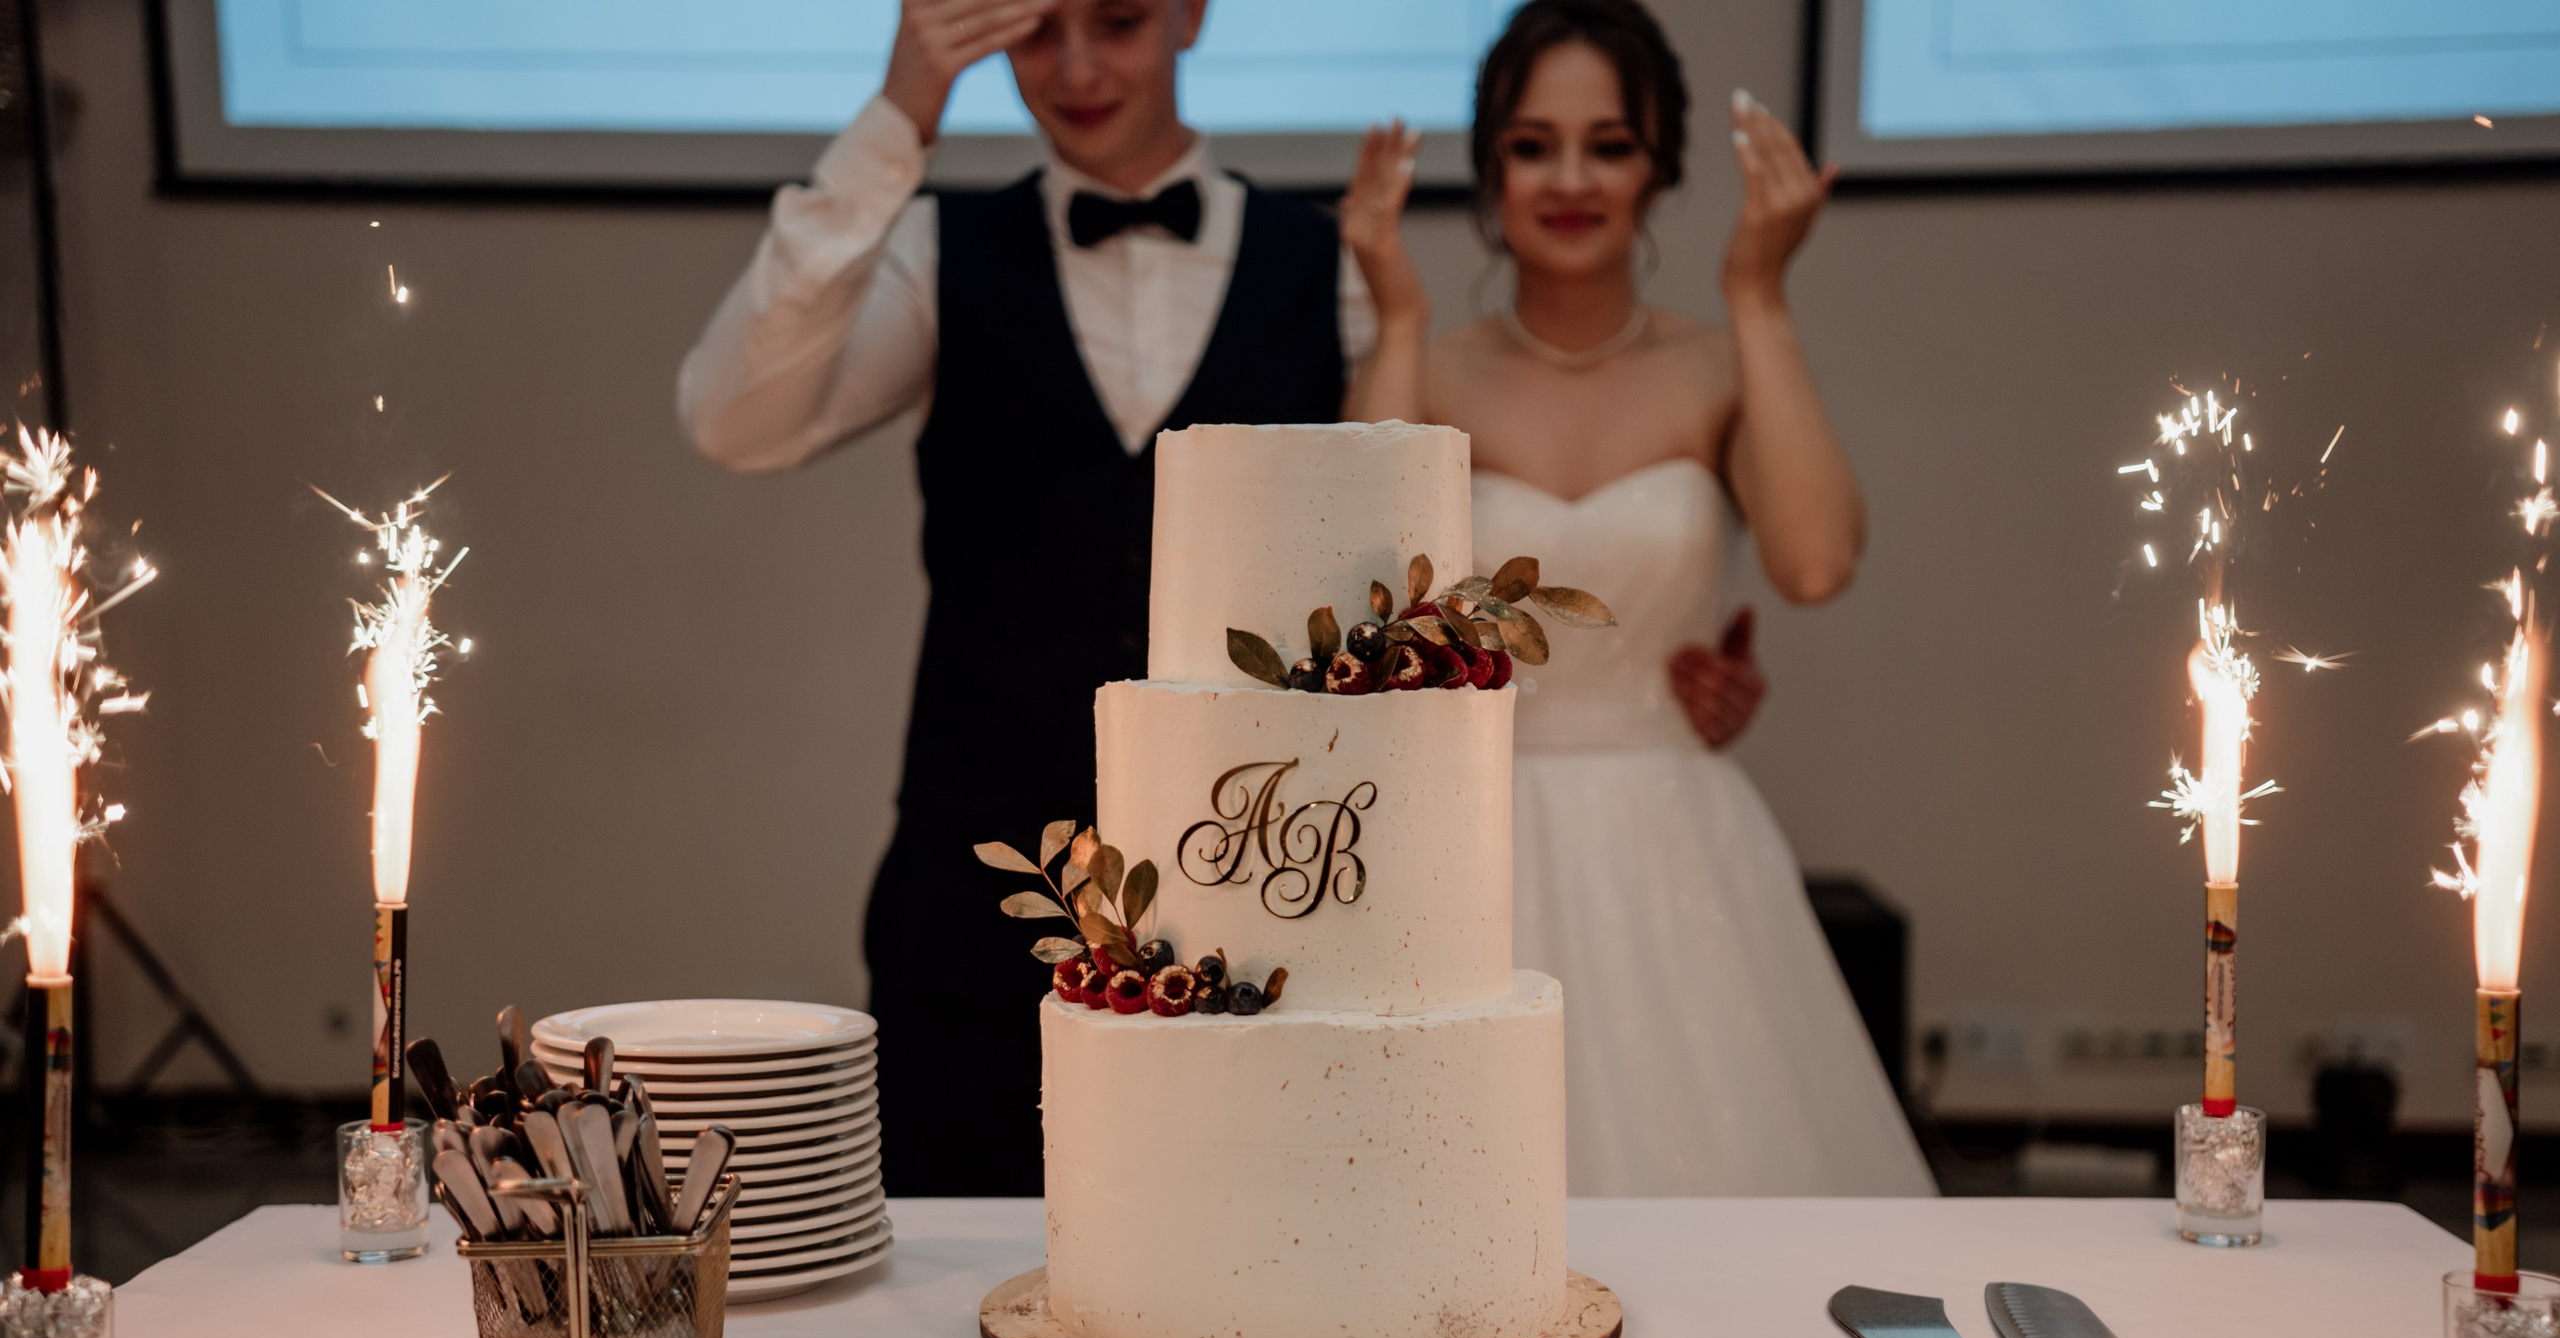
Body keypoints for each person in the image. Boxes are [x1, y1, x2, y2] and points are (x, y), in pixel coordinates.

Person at [680, 0, 1376, 1195]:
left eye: (1118, 20)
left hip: (1256, 885)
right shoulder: (940, 250)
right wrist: (898, 119)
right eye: (1037, 30)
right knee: (953, 1264)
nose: (1076, 67)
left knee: (1249, 1235)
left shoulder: (1330, 267)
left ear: (1191, 14)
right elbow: (734, 420)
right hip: (976, 895)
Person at [1340, 0, 1933, 1196]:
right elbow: (1363, 604)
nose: (1570, 180)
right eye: (1532, 145)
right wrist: (1395, 313)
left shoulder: (1715, 366)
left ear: (1659, 168)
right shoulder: (1430, 367)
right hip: (1459, 841)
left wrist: (1758, 292)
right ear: (1489, 168)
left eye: (1608, 145)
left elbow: (1814, 564)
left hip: (1675, 841)